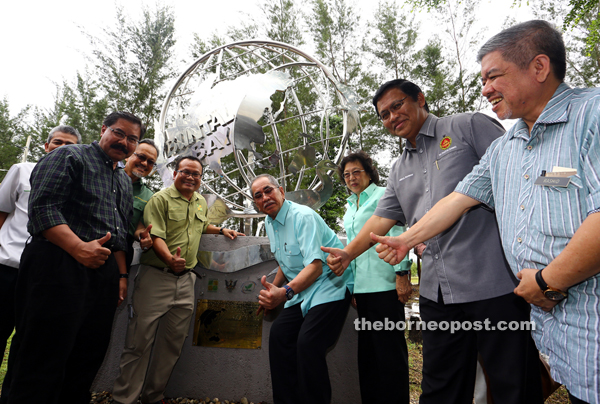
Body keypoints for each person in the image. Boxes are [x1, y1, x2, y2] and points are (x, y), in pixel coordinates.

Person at [373, 20, 600, 404]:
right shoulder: (506, 146)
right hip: (562, 331)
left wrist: (547, 280)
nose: (486, 89)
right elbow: (458, 200)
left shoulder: (590, 115)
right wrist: (405, 240)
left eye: (494, 76)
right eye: (483, 79)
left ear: (539, 68)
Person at [322, 79, 543, 403]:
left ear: (420, 99)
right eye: (384, 114)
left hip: (494, 285)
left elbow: (523, 173)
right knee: (440, 388)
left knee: (513, 385)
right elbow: (381, 219)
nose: (392, 116)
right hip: (437, 293)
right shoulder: (399, 169)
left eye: (397, 105)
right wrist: (347, 254)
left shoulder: (468, 127)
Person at [3, 112, 143, 404]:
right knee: (42, 354)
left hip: (101, 273)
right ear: (103, 129)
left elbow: (118, 233)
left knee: (86, 355)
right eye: (119, 133)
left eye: (132, 139)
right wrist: (79, 247)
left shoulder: (122, 179)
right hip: (58, 264)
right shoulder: (69, 156)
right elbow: (43, 209)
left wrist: (120, 276)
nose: (124, 142)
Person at [112, 155, 244, 404]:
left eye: (196, 174)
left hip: (186, 282)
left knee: (171, 345)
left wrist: (221, 230)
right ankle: (124, 399)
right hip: (156, 279)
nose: (191, 177)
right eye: (186, 172)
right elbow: (156, 235)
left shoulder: (199, 202)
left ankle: (153, 395)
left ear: (201, 179)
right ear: (175, 174)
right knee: (138, 343)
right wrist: (170, 260)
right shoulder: (159, 200)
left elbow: (200, 225)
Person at [252, 174, 353, 404]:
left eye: (268, 190)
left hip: (330, 283)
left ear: (281, 191)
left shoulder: (303, 216)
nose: (265, 197)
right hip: (302, 290)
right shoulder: (269, 222)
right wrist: (271, 293)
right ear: (256, 203)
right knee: (279, 336)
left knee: (308, 344)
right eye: (258, 196)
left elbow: (316, 267)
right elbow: (285, 262)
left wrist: (284, 293)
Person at [0, 125, 81, 365]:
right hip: (8, 267)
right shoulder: (22, 170)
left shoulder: (77, 183)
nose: (62, 148)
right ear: (46, 146)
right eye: (58, 142)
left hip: (44, 272)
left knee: (30, 341)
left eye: (70, 146)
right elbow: (2, 211)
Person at [337, 150, 412, 403]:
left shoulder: (383, 196)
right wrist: (354, 288)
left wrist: (402, 274)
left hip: (386, 287)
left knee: (390, 355)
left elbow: (400, 232)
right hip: (363, 291)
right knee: (368, 356)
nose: (351, 178)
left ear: (369, 173)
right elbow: (353, 250)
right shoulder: (350, 206)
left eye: (356, 172)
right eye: (346, 175)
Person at [123, 139, 159, 267]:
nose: (144, 163)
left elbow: (138, 227)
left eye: (151, 162)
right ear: (128, 156)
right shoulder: (106, 177)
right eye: (141, 157)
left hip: (122, 253)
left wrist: (143, 237)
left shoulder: (149, 196)